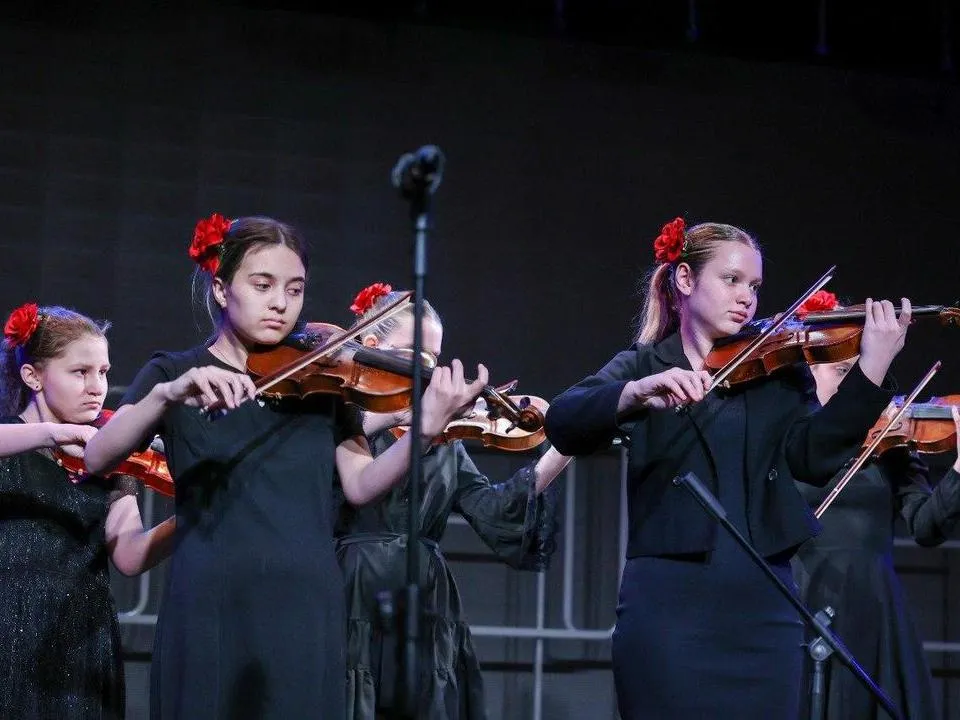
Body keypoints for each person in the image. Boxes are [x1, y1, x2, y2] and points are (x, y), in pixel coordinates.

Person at [83, 215, 488, 720]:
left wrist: (424, 431)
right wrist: (165, 397)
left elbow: (361, 486)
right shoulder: (173, 373)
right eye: (263, 285)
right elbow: (97, 455)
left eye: (294, 289)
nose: (281, 303)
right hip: (212, 597)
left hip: (307, 601)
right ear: (220, 289)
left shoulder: (323, 385)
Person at [543, 217, 912, 719]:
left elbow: (814, 456)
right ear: (686, 281)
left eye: (755, 286)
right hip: (669, 610)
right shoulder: (643, 366)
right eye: (732, 279)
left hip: (764, 608)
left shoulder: (779, 372)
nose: (747, 298)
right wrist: (634, 395)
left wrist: (870, 371)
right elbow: (564, 420)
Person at [335, 283, 570, 720]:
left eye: (434, 360)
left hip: (425, 598)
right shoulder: (340, 415)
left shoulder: (444, 439)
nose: (429, 371)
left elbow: (494, 510)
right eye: (414, 355)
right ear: (372, 346)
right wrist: (405, 416)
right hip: (351, 591)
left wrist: (565, 444)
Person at [0, 302, 175, 719]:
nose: (97, 386)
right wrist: (52, 432)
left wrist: (193, 514)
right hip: (9, 627)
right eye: (80, 372)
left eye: (104, 372)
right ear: (34, 376)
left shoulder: (113, 460)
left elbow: (129, 556)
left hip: (82, 636)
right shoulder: (10, 442)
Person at [791, 290, 960, 720]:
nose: (856, 385)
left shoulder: (891, 439)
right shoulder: (790, 433)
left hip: (873, 608)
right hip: (797, 595)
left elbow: (926, 526)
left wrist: (959, 469)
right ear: (812, 367)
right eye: (844, 370)